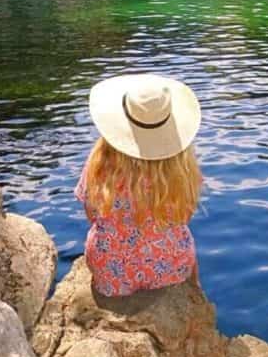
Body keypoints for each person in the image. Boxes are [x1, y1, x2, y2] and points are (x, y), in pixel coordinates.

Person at [75, 73, 202, 297]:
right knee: (184, 242)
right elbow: (186, 214)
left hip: (111, 273)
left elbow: (91, 213)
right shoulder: (183, 171)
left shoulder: (98, 165)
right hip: (170, 268)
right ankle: (195, 291)